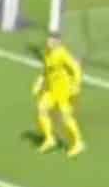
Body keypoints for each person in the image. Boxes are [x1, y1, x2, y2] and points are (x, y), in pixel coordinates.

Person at [34, 28, 85, 157]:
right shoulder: (47, 53)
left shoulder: (62, 53)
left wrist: (76, 85)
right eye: (48, 39)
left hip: (63, 91)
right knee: (41, 109)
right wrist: (39, 82)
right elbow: (47, 70)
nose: (49, 42)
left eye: (52, 40)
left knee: (66, 117)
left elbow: (76, 68)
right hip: (51, 90)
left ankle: (79, 143)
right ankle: (49, 139)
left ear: (58, 42)